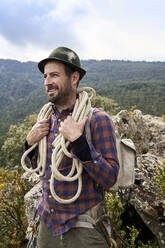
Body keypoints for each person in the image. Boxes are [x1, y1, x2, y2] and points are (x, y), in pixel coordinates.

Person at [24, 46, 119, 248]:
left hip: (83, 227)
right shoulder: (46, 120)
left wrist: (79, 141)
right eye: (45, 76)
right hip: (47, 224)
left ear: (74, 78)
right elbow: (40, 167)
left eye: (54, 75)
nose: (47, 82)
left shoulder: (97, 120)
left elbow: (110, 178)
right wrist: (29, 143)